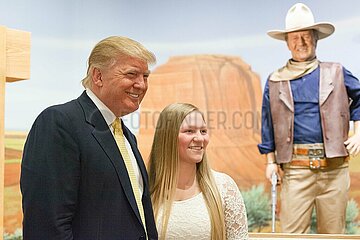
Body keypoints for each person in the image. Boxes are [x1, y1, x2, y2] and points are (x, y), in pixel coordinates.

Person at [20, 36, 158, 239]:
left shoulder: (126, 136)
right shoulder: (60, 123)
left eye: (145, 76)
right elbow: (47, 226)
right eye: (132, 74)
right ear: (98, 76)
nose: (141, 85)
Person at [258, 3, 360, 234]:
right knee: (292, 236)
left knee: (333, 236)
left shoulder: (336, 71)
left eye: (306, 36)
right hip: (295, 170)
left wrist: (359, 132)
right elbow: (267, 121)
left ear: (316, 38)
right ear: (286, 42)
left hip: (334, 170)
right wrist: (270, 162)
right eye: (295, 37)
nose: (301, 43)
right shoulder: (275, 80)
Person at [147, 103, 248, 240]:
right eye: (189, 131)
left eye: (203, 131)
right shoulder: (145, 191)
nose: (200, 139)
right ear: (167, 136)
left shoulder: (224, 188)